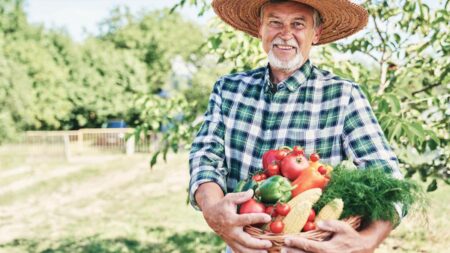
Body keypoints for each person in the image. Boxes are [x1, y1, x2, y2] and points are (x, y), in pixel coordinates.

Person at [189, 0, 403, 252]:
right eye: (275, 22)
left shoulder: (343, 95)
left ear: (317, 33)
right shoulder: (228, 89)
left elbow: (389, 181)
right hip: (241, 246)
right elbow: (206, 158)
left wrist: (367, 241)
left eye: (298, 24)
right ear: (261, 28)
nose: (285, 34)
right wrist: (214, 212)